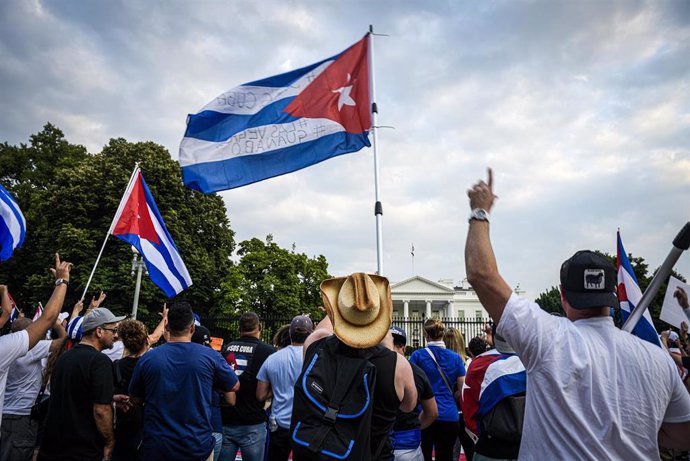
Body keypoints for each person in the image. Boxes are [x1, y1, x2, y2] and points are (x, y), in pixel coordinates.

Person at [464, 168, 690, 459]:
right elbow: (683, 436)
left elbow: (481, 274)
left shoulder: (546, 337)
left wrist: (480, 210)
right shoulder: (658, 358)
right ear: (611, 296)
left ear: (562, 294)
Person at [295, 272, 417, 460]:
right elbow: (408, 407)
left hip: (315, 450)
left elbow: (327, 325)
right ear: (381, 316)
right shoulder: (398, 366)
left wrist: (342, 296)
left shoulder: (315, 344)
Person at [128, 302, 239, 461]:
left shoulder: (148, 358)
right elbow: (234, 385)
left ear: (166, 327)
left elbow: (134, 399)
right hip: (196, 445)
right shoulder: (210, 356)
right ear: (192, 328)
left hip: (158, 445)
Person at [38, 307, 126, 461]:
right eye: (113, 330)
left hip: (53, 447)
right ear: (99, 331)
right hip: (81, 450)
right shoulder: (100, 361)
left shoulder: (65, 357)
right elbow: (101, 410)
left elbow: (73, 393)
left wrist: (110, 397)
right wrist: (110, 442)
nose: (116, 335)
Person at [0, 254, 72, 428]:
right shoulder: (10, 348)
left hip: (7, 411)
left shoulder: (6, 346)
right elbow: (55, 330)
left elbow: (7, 314)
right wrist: (62, 281)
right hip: (21, 414)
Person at [0, 318, 66, 461]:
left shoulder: (5, 347)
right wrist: (56, 324)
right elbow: (63, 341)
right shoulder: (31, 348)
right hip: (22, 415)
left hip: (4, 412)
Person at [462, 329, 527, 461]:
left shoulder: (479, 365)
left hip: (490, 446)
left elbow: (468, 408)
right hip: (528, 445)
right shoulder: (533, 360)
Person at [256, 315, 314, 461]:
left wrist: (277, 388)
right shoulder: (315, 359)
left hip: (279, 424)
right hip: (306, 425)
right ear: (311, 333)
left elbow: (260, 395)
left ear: (290, 333)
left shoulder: (273, 358)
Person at [220, 312, 275, 461]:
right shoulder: (268, 351)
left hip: (227, 419)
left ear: (239, 329)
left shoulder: (227, 349)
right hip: (253, 421)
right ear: (260, 327)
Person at [409, 319, 466, 461]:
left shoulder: (417, 356)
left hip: (425, 413)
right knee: (446, 457)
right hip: (449, 415)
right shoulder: (456, 358)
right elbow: (462, 389)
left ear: (426, 334)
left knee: (425, 456)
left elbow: (411, 386)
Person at [390, 326, 438, 461]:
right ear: (404, 348)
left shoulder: (374, 368)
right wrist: (415, 427)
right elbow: (432, 412)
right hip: (408, 445)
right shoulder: (417, 372)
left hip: (378, 442)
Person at [111, 319, 150, 461]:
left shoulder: (117, 365)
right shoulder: (150, 365)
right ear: (146, 340)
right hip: (145, 425)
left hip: (123, 424)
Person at [443, 327, 474, 461]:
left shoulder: (441, 363)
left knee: (450, 452)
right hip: (465, 412)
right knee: (469, 450)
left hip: (447, 411)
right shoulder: (469, 363)